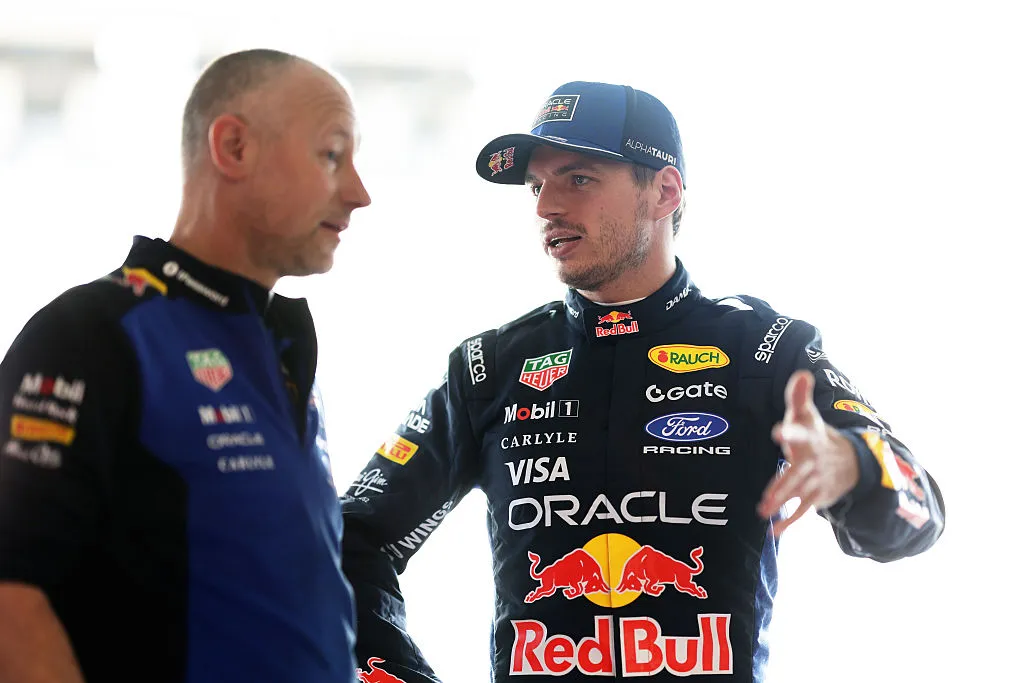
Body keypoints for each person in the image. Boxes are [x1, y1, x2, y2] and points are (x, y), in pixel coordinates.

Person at [339, 81, 944, 682]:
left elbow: (921, 516)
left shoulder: (765, 349)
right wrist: (394, 676)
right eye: (536, 185)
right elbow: (348, 541)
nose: (547, 205)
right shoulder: (489, 366)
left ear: (664, 190)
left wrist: (855, 466)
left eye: (578, 178)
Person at [0, 49, 370, 683]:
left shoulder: (278, 347)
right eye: (332, 155)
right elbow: (11, 595)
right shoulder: (94, 335)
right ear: (233, 147)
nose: (359, 193)